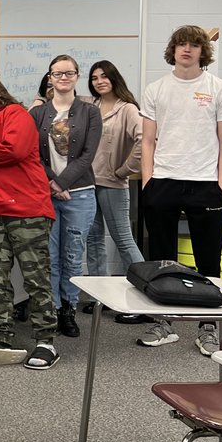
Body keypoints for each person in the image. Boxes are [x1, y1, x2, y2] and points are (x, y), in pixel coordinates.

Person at [136, 25, 222, 355]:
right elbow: (148, 141)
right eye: (181, 44)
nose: (186, 49)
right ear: (173, 49)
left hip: (205, 185)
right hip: (163, 183)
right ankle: (164, 322)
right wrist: (148, 183)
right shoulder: (156, 89)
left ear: (203, 51)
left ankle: (208, 328)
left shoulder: (220, 89)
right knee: (162, 260)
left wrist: (220, 187)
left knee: (208, 261)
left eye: (193, 45)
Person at [0, 72, 58, 370]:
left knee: (36, 278)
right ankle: (0, 335)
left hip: (27, 208)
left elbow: (14, 150)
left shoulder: (16, 114)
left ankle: (46, 341)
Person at [29, 55, 101, 340]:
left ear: (76, 76)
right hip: (46, 194)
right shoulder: (36, 114)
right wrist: (52, 183)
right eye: (57, 73)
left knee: (72, 255)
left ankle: (68, 309)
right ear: (50, 78)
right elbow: (31, 154)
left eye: (69, 73)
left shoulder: (89, 112)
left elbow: (88, 155)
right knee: (49, 255)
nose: (63, 77)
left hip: (80, 194)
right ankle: (53, 307)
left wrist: (61, 182)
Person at [82, 60, 145, 316]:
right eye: (95, 77)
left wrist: (124, 170)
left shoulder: (127, 109)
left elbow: (145, 141)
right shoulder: (90, 106)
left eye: (104, 76)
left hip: (113, 185)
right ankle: (102, 298)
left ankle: (143, 299)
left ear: (114, 78)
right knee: (94, 240)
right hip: (87, 184)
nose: (100, 81)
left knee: (123, 241)